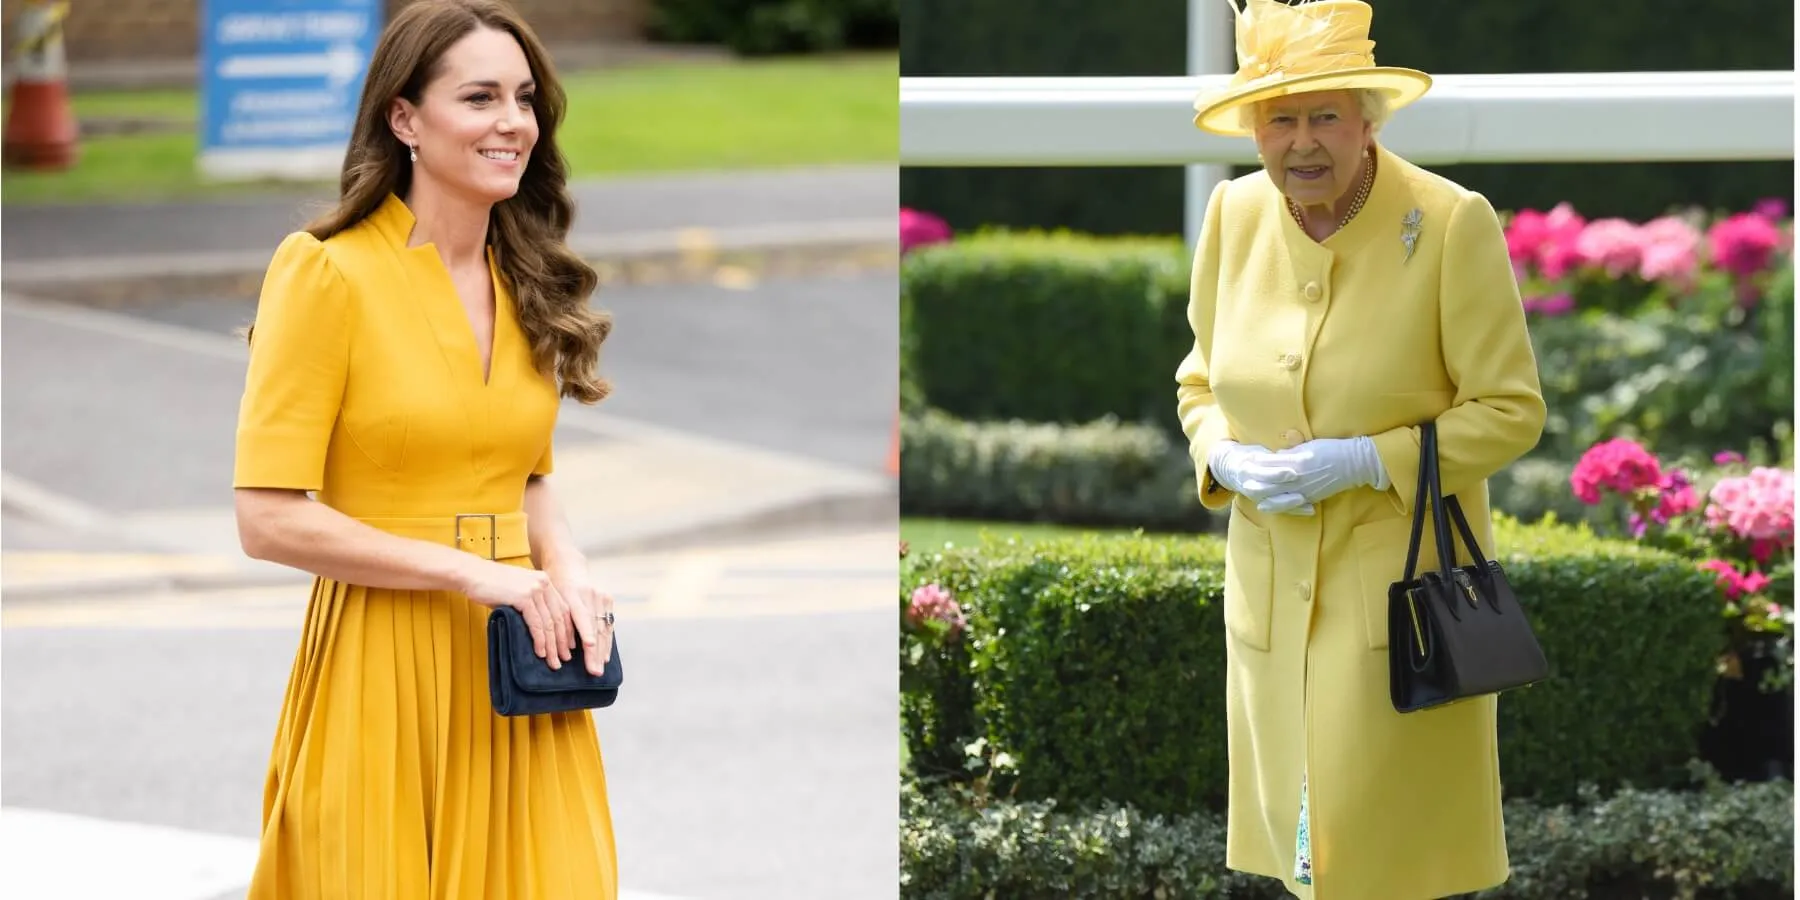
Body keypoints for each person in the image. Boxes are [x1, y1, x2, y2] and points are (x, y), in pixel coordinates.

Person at [231, 1, 620, 896]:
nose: (511, 122)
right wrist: (476, 575)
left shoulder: (524, 275)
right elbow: (266, 519)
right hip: (385, 664)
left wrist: (568, 566)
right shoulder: (324, 271)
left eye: (523, 99)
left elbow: (524, 474)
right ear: (405, 117)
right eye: (479, 97)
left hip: (528, 670)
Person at [1174, 1, 1547, 898]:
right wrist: (1222, 452)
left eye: (1325, 116)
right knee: (1305, 862)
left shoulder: (1450, 222)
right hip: (1270, 588)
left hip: (1399, 597)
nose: (1302, 143)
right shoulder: (1232, 213)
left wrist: (1367, 459)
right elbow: (1199, 378)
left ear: (1367, 120)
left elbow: (1510, 410)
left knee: (1370, 858)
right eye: (1281, 119)